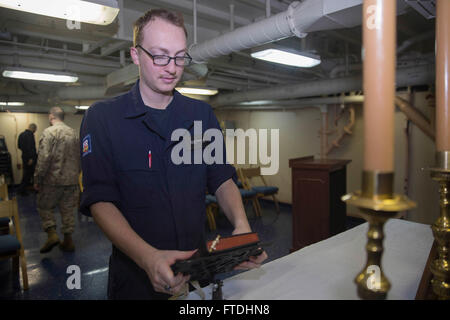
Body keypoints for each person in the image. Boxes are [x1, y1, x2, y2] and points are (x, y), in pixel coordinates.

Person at [79, 9, 267, 300]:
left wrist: (241, 225)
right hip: (135, 281)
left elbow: (221, 179)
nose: (172, 67)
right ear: (135, 55)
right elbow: (100, 200)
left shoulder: (201, 115)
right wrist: (147, 258)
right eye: (160, 55)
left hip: (199, 272)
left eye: (180, 56)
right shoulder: (102, 118)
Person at [34, 107, 80, 253]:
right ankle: (68, 240)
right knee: (67, 210)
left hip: (52, 180)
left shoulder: (49, 133)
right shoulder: (73, 133)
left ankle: (52, 234)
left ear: (51, 116)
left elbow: (44, 158)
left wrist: (38, 178)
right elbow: (80, 157)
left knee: (44, 206)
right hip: (71, 180)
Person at [17, 123, 37, 196]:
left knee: (26, 174)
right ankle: (22, 190)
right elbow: (30, 147)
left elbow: (19, 146)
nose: (35, 131)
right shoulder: (30, 135)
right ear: (33, 129)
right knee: (29, 175)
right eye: (35, 130)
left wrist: (25, 154)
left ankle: (22, 189)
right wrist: (31, 158)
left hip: (24, 157)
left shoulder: (21, 134)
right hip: (30, 159)